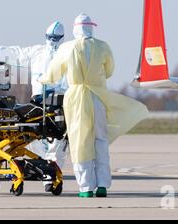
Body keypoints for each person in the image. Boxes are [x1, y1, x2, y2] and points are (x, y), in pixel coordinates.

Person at [39, 13, 148, 198]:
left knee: (80, 142)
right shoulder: (103, 46)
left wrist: (43, 79)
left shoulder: (67, 47)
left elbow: (52, 74)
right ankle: (103, 185)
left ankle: (86, 187)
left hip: (76, 99)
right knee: (100, 140)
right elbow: (109, 70)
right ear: (91, 27)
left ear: (75, 29)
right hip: (98, 97)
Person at [0, 21, 68, 191]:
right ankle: (41, 173)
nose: (52, 41)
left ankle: (49, 179)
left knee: (57, 143)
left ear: (61, 38)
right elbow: (17, 53)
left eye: (55, 38)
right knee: (32, 138)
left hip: (59, 104)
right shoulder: (38, 52)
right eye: (49, 37)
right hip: (38, 103)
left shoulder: (67, 53)